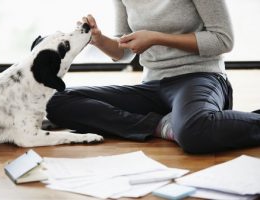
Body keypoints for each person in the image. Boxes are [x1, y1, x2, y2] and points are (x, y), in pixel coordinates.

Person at [45, 0, 260, 154]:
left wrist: (156, 38)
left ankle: (181, 122)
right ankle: (159, 125)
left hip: (199, 76)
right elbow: (125, 51)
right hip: (153, 86)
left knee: (194, 132)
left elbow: (223, 40)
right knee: (54, 101)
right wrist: (99, 40)